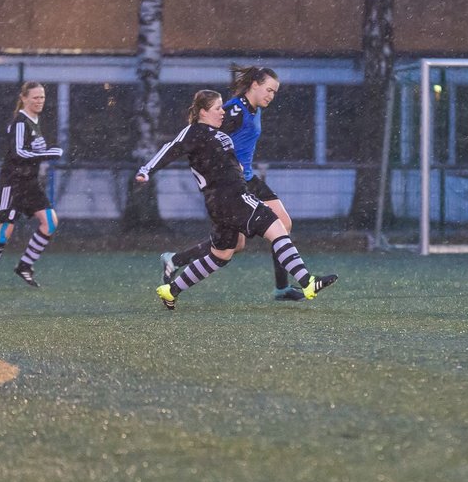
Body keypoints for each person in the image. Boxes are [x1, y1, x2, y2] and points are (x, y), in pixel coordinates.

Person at [136, 89, 336, 310]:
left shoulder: (218, 134)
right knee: (277, 227)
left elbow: (225, 162)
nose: (223, 111)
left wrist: (237, 168)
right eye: (217, 108)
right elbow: (170, 149)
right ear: (203, 111)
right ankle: (307, 282)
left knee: (221, 254)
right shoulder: (195, 132)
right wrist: (146, 170)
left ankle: (171, 290)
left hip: (221, 202)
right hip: (231, 197)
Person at [160, 65, 312, 301]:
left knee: (279, 226)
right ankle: (175, 260)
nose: (271, 96)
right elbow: (207, 137)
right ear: (254, 85)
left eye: (275, 92)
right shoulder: (233, 111)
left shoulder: (253, 109)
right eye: (269, 90)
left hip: (250, 178)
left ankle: (282, 287)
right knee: (233, 247)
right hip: (234, 184)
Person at [0, 82, 63, 289]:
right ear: (23, 98)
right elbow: (18, 153)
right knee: (5, 229)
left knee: (50, 222)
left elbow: (30, 151)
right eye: (35, 97)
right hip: (12, 182)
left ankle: (24, 266)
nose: (40, 101)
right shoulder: (21, 123)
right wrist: (47, 154)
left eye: (42, 97)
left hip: (29, 183)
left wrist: (44, 153)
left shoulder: (35, 120)